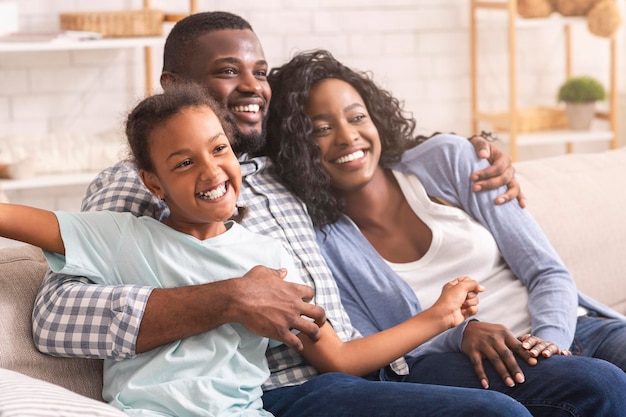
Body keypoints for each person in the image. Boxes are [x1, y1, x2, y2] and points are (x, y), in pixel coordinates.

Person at [31, 11, 543, 417]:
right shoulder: (135, 185)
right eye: (229, 71)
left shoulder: (283, 165)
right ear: (174, 84)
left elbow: (370, 151)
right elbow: (56, 319)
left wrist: (477, 150)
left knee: (594, 386)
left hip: (382, 364)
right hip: (290, 391)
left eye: (260, 71)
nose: (253, 85)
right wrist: (228, 298)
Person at [263, 47, 626, 406]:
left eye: (357, 117)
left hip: (567, 326)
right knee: (598, 384)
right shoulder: (322, 242)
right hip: (477, 363)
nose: (347, 137)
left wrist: (549, 343)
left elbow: (547, 271)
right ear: (297, 146)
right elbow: (373, 345)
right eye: (322, 129)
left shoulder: (447, 160)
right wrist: (461, 334)